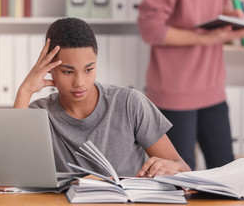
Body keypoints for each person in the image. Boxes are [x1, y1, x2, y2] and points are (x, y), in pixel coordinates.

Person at [14, 18, 190, 177]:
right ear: (49, 69)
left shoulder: (130, 103)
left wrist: (170, 168)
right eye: (68, 72)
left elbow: (183, 167)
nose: (80, 82)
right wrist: (25, 90)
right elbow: (12, 172)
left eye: (89, 69)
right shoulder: (39, 114)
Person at [138, 0, 244, 170]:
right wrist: (205, 38)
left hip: (213, 87)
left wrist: (231, 17)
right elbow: (150, 29)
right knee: (181, 180)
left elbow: (221, 6)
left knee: (226, 172)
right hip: (175, 92)